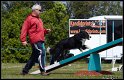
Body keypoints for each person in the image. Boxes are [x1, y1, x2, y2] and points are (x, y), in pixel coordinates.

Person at [20, 4, 51, 76]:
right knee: (42, 52)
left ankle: (25, 71)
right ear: (34, 10)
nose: (41, 11)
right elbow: (24, 29)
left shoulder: (39, 19)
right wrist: (23, 40)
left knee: (34, 56)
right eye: (40, 10)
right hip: (35, 40)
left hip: (40, 39)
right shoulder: (29, 19)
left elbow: (40, 30)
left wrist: (46, 31)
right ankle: (42, 71)